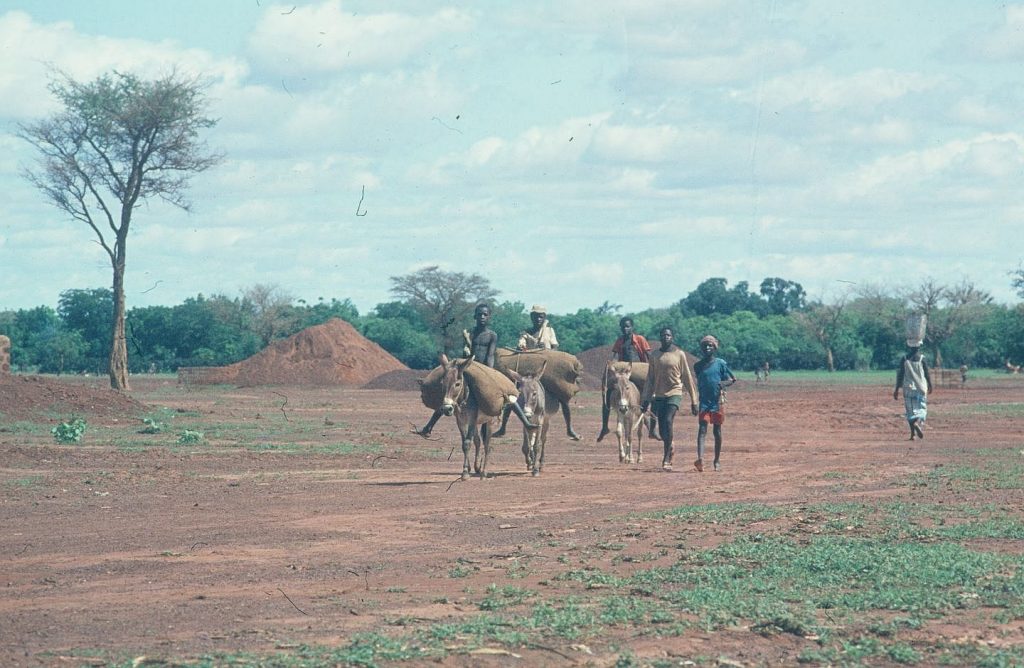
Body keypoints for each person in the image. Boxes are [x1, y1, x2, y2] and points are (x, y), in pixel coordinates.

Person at [414, 303, 533, 438]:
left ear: (489, 317)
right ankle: (429, 427)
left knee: (509, 396)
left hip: (484, 369)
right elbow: (467, 353)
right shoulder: (470, 333)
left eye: (485, 315)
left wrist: (488, 372)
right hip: (468, 368)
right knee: (450, 391)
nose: (482, 317)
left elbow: (490, 355)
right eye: (479, 314)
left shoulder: (492, 335)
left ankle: (526, 423)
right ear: (475, 316)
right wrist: (466, 351)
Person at [495, 305, 581, 440]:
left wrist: (545, 348)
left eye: (541, 316)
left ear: (544, 317)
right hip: (528, 373)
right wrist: (521, 347)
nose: (538, 319)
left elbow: (555, 348)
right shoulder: (526, 333)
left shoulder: (549, 331)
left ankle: (569, 428)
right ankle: (503, 427)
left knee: (563, 398)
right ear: (531, 317)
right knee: (513, 397)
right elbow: (521, 345)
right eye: (535, 316)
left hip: (547, 371)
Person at [641, 326, 698, 471]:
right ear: (660, 338)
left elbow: (687, 377)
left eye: (668, 335)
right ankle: (670, 446)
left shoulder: (679, 354)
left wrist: (694, 401)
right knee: (663, 430)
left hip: (675, 392)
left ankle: (666, 458)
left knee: (668, 420)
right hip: (659, 395)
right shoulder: (654, 355)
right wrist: (645, 399)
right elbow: (650, 379)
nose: (666, 337)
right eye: (663, 335)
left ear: (672, 337)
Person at [597, 316, 652, 442]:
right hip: (624, 373)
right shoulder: (619, 341)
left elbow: (648, 355)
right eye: (623, 327)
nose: (625, 329)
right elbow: (615, 356)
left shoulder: (640, 339)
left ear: (632, 327)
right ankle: (605, 426)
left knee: (646, 398)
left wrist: (652, 369)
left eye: (627, 326)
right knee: (608, 395)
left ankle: (649, 425)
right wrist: (612, 366)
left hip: (637, 372)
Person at [693, 335, 737, 472]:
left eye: (710, 345)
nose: (707, 347)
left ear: (714, 348)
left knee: (717, 431)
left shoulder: (720, 364)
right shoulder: (698, 366)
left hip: (717, 402)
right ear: (701, 348)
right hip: (704, 403)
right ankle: (700, 459)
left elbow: (732, 379)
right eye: (705, 345)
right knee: (702, 429)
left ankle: (716, 460)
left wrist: (722, 383)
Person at [894, 345, 932, 440]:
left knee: (910, 411)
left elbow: (900, 374)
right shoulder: (922, 359)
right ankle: (917, 423)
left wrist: (897, 389)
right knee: (921, 408)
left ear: (909, 347)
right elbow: (927, 373)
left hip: (908, 388)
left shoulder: (904, 359)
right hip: (921, 388)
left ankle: (913, 434)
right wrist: (930, 384)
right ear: (919, 347)